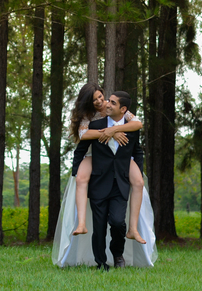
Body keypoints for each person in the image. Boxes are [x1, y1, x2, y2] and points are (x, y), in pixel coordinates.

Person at [51, 89, 157, 268]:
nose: (104, 102)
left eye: (106, 99)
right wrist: (76, 170)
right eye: (97, 100)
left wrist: (114, 130)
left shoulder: (129, 123)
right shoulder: (90, 121)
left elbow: (137, 146)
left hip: (120, 179)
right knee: (98, 226)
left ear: (121, 108)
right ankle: (100, 262)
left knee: (117, 222)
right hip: (99, 177)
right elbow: (82, 143)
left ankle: (119, 254)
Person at [68, 84, 146, 243]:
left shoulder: (112, 106)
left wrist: (115, 130)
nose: (99, 101)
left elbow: (137, 124)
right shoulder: (87, 115)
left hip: (118, 156)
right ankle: (81, 224)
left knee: (138, 182)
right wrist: (109, 133)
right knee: (81, 179)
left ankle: (133, 229)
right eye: (94, 99)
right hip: (94, 152)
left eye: (100, 97)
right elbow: (83, 135)